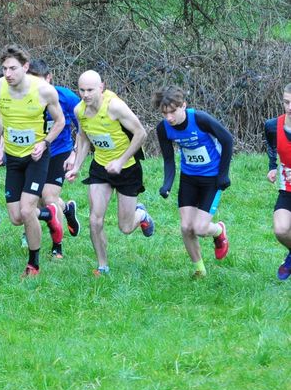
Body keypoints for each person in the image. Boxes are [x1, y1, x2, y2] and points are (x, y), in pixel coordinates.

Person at [0, 45, 65, 277]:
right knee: (16, 217)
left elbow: (60, 121)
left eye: (13, 68)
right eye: (4, 69)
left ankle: (33, 265)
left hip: (36, 157)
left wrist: (45, 143)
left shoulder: (44, 91)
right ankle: (50, 214)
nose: (7, 73)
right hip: (13, 157)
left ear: (26, 67)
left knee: (27, 209)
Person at [66, 71, 154, 276]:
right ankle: (102, 266)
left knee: (125, 227)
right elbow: (83, 137)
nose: (85, 95)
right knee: (95, 220)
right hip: (100, 168)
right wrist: (77, 166)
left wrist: (120, 161)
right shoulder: (80, 110)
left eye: (90, 90)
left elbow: (141, 133)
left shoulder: (114, 107)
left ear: (101, 87)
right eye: (81, 90)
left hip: (127, 168)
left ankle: (141, 214)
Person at [153, 86, 233, 278]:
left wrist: (223, 174)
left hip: (212, 178)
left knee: (200, 228)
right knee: (186, 227)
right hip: (189, 178)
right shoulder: (163, 128)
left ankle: (218, 231)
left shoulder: (200, 119)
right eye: (164, 113)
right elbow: (169, 159)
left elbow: (227, 140)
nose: (169, 118)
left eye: (173, 112)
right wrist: (167, 184)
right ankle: (200, 269)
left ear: (183, 105)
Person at [28, 58, 82, 257]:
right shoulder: (23, 99)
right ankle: (66, 209)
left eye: (39, 81)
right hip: (34, 153)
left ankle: (57, 247)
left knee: (49, 196)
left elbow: (84, 126)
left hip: (60, 152)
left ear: (49, 78)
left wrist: (75, 153)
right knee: (36, 199)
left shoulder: (66, 97)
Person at [264, 83, 291, 280]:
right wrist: (272, 166)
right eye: (286, 102)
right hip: (287, 188)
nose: (290, 107)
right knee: (281, 230)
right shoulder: (273, 125)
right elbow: (272, 145)